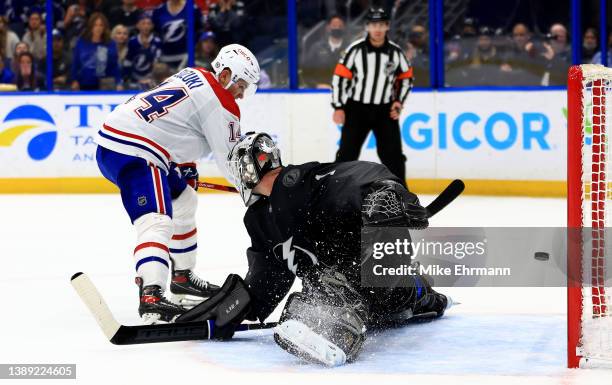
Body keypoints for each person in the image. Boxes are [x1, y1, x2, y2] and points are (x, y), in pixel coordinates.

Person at [179, 132, 452, 366]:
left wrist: (385, 191)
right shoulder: (259, 220)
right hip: (364, 284)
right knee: (365, 302)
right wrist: (227, 311)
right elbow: (266, 283)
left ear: (245, 171)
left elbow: (354, 176)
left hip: (375, 256)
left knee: (333, 289)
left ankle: (347, 324)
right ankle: (419, 292)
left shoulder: (298, 181)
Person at [94, 44, 260, 324]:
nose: (242, 93)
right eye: (241, 85)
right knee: (156, 221)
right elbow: (232, 161)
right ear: (225, 75)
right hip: (137, 151)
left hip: (123, 141)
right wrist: (257, 191)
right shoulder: (222, 101)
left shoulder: (193, 74)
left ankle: (182, 278)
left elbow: (176, 126)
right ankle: (152, 296)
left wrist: (185, 167)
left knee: (184, 201)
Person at [332, 7, 412, 185]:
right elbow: (339, 78)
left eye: (381, 24)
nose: (377, 28)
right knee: (346, 155)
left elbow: (406, 78)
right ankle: (336, 193)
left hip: (384, 111)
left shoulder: (396, 53)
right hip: (356, 109)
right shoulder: (355, 50)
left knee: (393, 157)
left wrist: (398, 102)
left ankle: (402, 196)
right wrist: (338, 106)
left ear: (387, 26)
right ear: (367, 26)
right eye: (373, 24)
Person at [71, 13, 122, 91]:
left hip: (105, 84)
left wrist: (118, 82)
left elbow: (115, 65)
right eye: (95, 25)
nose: (98, 28)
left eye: (101, 25)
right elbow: (75, 62)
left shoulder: (110, 44)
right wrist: (74, 80)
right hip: (84, 83)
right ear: (91, 26)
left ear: (104, 27)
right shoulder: (81, 42)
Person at [152, 0, 203, 71]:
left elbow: (200, 31)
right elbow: (155, 35)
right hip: (165, 59)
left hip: (187, 58)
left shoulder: (193, 8)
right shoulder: (158, 11)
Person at [301, 15, 348, 88]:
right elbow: (306, 71)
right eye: (334, 25)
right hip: (320, 93)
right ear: (328, 28)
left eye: (340, 25)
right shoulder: (317, 48)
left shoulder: (351, 48)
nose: (337, 28)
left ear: (344, 27)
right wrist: (316, 85)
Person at [123, 14, 162, 88]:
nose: (146, 26)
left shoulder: (157, 42)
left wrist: (147, 50)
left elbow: (157, 63)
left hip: (152, 81)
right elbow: (128, 62)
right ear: (137, 25)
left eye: (148, 23)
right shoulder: (132, 41)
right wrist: (125, 79)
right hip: (134, 81)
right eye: (143, 23)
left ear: (152, 26)